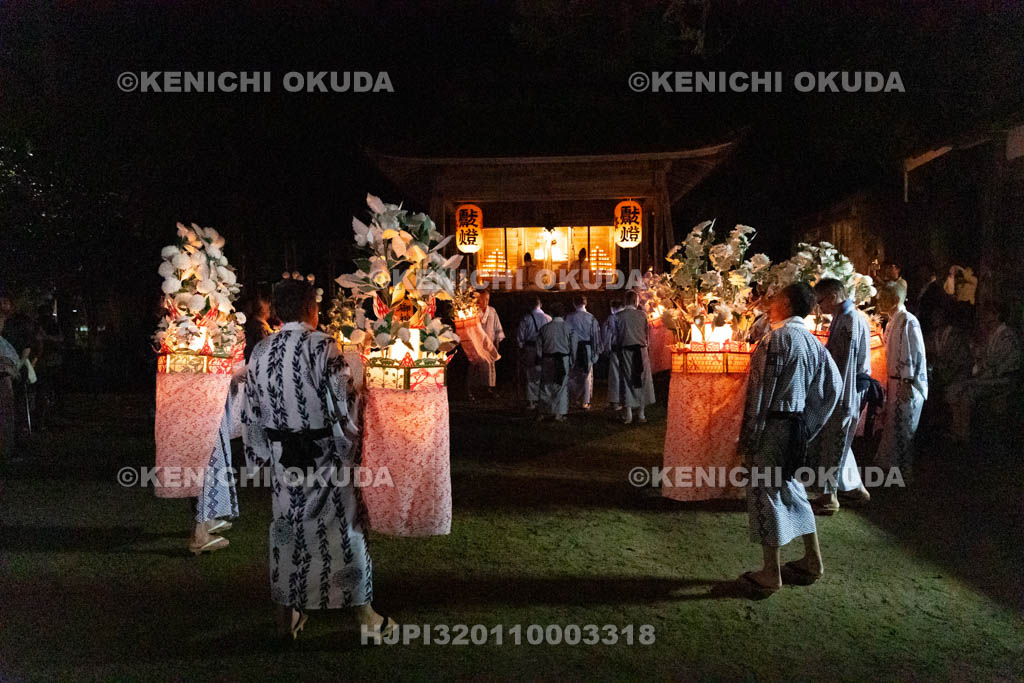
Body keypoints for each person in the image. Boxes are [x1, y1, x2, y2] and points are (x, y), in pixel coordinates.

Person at [242, 279, 394, 641]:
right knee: (345, 532)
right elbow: (345, 404)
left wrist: (261, 459)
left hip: (283, 461)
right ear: (313, 308)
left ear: (278, 312)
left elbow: (250, 414)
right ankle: (365, 617)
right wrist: (350, 444)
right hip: (326, 458)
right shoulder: (324, 346)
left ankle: (285, 619)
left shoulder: (260, 351)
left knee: (286, 533)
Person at [738, 283, 841, 597]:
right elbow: (832, 387)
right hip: (795, 426)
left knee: (764, 492)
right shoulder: (812, 342)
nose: (771, 303)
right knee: (792, 488)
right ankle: (813, 559)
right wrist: (809, 423)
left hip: (772, 427)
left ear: (788, 304)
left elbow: (760, 393)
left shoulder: (776, 339)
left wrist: (750, 436)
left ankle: (771, 571)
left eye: (777, 298)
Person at [808, 279, 871, 515]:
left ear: (834, 296)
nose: (819, 307)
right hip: (846, 390)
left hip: (844, 392)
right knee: (840, 443)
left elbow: (843, 364)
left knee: (832, 443)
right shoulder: (845, 318)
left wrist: (832, 392)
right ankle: (855, 490)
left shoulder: (849, 321)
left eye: (821, 301)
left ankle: (828, 496)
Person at [875, 280, 928, 478]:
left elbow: (911, 352)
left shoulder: (908, 321)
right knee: (893, 426)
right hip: (894, 380)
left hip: (905, 383)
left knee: (904, 427)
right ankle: (890, 465)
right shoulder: (893, 320)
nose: (880, 302)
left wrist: (907, 381)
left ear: (896, 299)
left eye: (884, 299)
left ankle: (903, 470)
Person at [614, 291, 655, 424]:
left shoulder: (619, 316)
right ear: (636, 301)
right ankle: (641, 413)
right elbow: (647, 334)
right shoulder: (642, 315)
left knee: (627, 379)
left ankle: (629, 413)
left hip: (626, 350)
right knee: (642, 380)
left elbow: (617, 335)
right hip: (641, 350)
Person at [535, 302, 574, 422]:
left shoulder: (544, 329)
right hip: (563, 359)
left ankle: (544, 411)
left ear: (551, 313)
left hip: (547, 359)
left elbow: (539, 346)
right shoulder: (569, 328)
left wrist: (540, 358)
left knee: (546, 385)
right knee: (561, 386)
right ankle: (559, 413)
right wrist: (572, 359)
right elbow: (573, 345)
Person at [565, 295, 600, 410]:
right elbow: (595, 336)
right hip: (587, 348)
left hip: (573, 348)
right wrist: (596, 351)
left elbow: (566, 334)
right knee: (587, 375)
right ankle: (585, 401)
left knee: (572, 375)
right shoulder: (591, 318)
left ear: (574, 303)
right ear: (585, 303)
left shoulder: (570, 317)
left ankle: (573, 399)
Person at [467, 290, 504, 400]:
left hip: (489, 344)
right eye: (483, 299)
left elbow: (497, 328)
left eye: (487, 299)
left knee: (489, 367)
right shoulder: (472, 311)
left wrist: (497, 341)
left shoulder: (492, 311)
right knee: (474, 367)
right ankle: (471, 390)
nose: (485, 302)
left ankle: (488, 389)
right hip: (475, 345)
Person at [516, 296, 551, 410]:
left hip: (530, 348)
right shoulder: (548, 318)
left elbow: (520, 337)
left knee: (531, 375)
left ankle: (532, 401)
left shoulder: (526, 318)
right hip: (545, 349)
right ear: (540, 304)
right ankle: (545, 399)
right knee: (545, 375)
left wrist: (521, 348)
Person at [602, 298, 623, 411]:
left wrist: (606, 349)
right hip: (627, 349)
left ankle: (615, 401)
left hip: (615, 350)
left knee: (615, 376)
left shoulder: (611, 318)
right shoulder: (626, 317)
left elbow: (607, 335)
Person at [243, 293, 274, 363]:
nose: (270, 311)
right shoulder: (260, 328)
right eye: (269, 309)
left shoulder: (254, 323)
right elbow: (264, 348)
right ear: (263, 311)